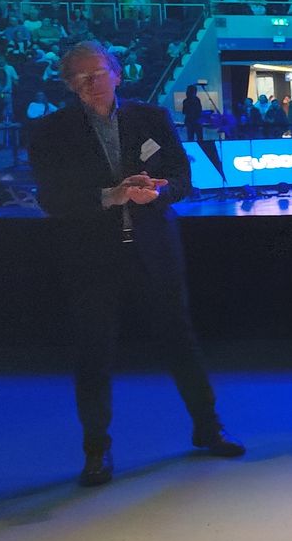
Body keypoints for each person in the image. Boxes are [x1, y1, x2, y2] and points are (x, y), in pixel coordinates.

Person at [29, 40, 244, 486]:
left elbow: (183, 179)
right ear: (69, 84)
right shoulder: (52, 130)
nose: (91, 82)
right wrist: (112, 196)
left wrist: (159, 191)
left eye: (97, 72)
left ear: (117, 73)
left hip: (154, 250)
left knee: (180, 341)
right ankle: (96, 450)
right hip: (91, 259)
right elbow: (53, 198)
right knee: (93, 354)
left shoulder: (151, 117)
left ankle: (209, 428)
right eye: (80, 76)